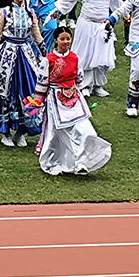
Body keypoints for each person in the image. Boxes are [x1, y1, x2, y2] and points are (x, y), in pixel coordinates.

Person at [30, 27, 112, 176]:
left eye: (68, 39)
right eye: (62, 39)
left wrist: (75, 92)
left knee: (85, 129)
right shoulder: (48, 60)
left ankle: (81, 161)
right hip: (55, 100)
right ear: (56, 40)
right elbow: (42, 81)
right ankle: (58, 161)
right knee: (57, 134)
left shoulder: (75, 58)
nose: (66, 42)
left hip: (74, 98)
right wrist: (38, 101)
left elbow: (79, 79)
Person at [50, 0, 123, 98]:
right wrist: (57, 10)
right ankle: (84, 85)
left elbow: (117, 3)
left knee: (102, 55)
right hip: (86, 24)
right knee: (85, 54)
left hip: (103, 25)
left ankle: (98, 85)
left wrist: (124, 15)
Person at [0, 0, 44, 148]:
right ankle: (5, 132)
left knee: (28, 90)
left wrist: (46, 55)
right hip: (8, 55)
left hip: (25, 54)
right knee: (6, 92)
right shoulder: (4, 12)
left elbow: (36, 35)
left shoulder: (30, 13)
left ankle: (21, 132)